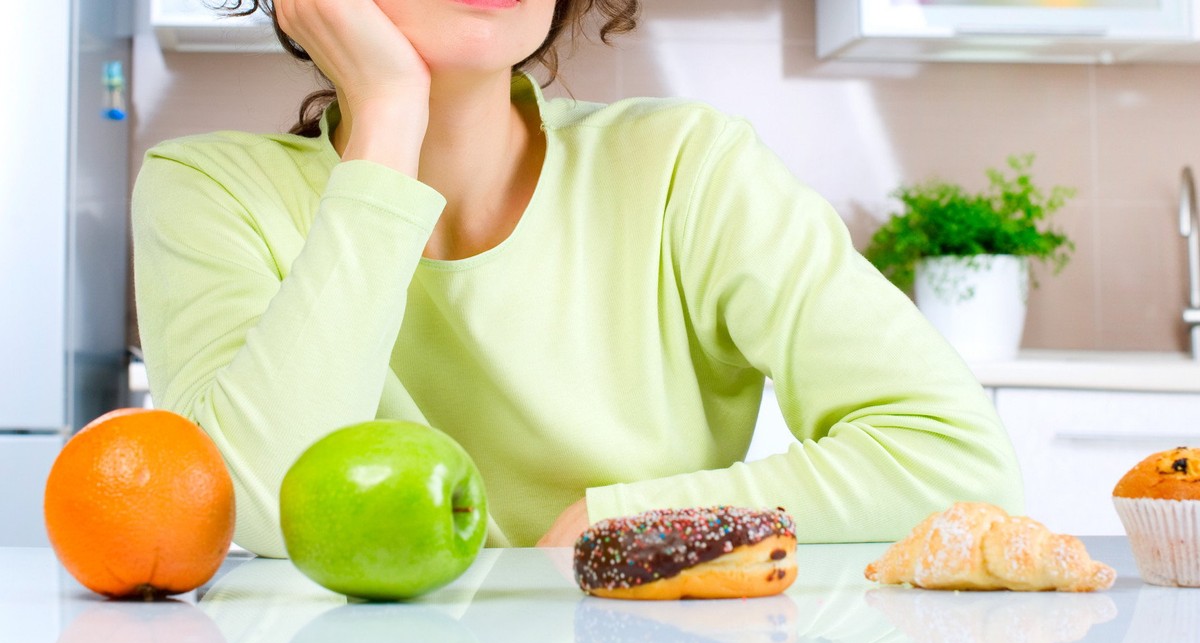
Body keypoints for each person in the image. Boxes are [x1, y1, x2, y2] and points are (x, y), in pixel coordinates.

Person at [132, 0, 1023, 558]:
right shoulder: (210, 191)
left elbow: (956, 459)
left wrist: (621, 515)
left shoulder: (684, 167)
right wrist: (391, 121)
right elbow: (247, 508)